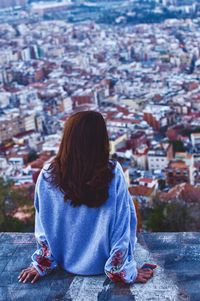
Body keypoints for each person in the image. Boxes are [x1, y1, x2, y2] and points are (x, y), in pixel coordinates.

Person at [17, 111, 154, 285]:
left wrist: (42, 264)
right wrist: (124, 271)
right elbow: (122, 226)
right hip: (103, 264)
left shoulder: (47, 175)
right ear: (100, 139)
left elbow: (42, 228)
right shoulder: (113, 172)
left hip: (65, 262)